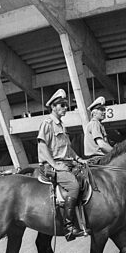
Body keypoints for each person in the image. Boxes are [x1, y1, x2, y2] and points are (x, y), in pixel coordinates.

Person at [37, 89, 87, 241]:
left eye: (66, 105)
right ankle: (69, 227)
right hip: (52, 166)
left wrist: (79, 159)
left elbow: (68, 149)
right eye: (62, 105)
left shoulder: (62, 126)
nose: (65, 107)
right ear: (53, 107)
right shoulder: (47, 123)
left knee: (87, 179)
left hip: (66, 163)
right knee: (73, 186)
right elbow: (42, 146)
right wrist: (55, 165)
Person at [83, 96, 113, 162]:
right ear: (94, 113)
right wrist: (116, 151)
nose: (104, 112)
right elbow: (101, 144)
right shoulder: (95, 123)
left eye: (104, 110)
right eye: (101, 110)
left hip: (99, 158)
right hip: (97, 159)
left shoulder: (98, 124)